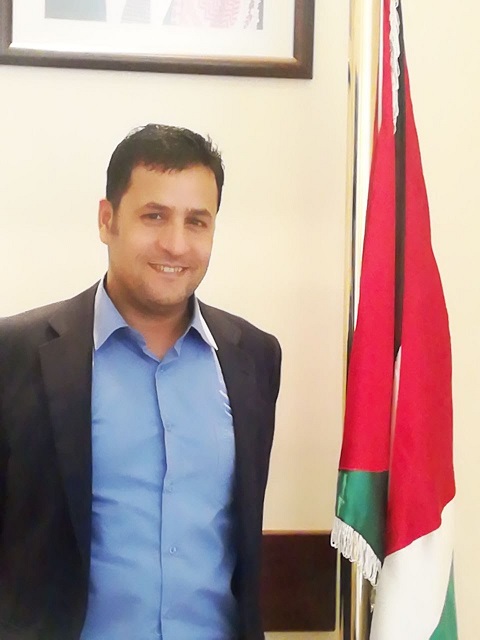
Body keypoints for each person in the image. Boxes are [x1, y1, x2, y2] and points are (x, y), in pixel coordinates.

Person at [0, 124, 281, 640]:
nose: (175, 244)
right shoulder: (14, 354)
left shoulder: (254, 357)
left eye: (196, 222)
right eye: (154, 216)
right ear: (107, 221)